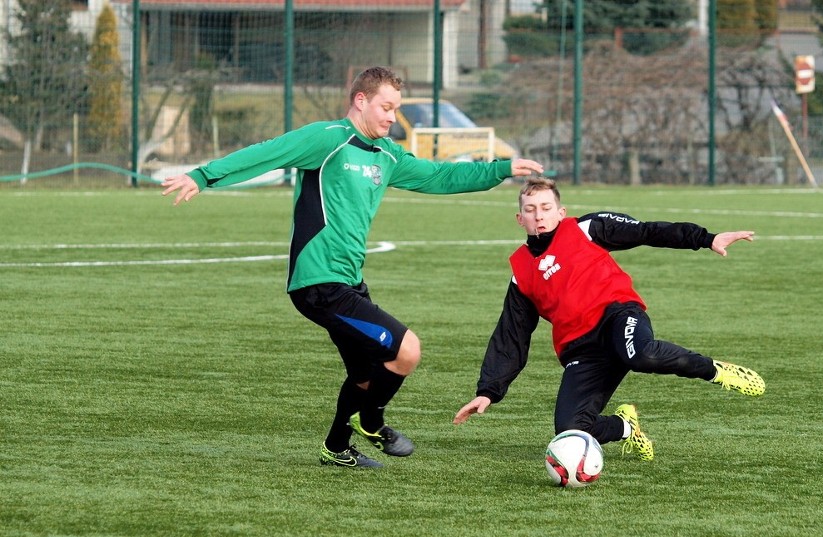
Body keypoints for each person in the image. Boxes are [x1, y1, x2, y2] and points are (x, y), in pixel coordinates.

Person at [161, 66, 544, 468]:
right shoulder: (327, 139)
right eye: (386, 107)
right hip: (318, 283)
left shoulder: (387, 155)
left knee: (365, 373)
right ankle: (372, 422)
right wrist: (204, 176)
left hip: (349, 282)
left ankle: (336, 448)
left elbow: (440, 175)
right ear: (360, 101)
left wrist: (499, 168)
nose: (392, 117)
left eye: (395, 109)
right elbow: (265, 153)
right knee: (406, 350)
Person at [453, 177, 765, 461]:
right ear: (520, 219)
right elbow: (511, 337)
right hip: (582, 350)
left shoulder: (586, 229)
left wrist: (705, 238)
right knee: (570, 428)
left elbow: (646, 231)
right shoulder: (521, 275)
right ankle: (626, 427)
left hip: (617, 317)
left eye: (546, 208)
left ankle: (714, 370)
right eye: (531, 210)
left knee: (640, 354)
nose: (539, 216)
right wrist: (488, 391)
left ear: (561, 212)